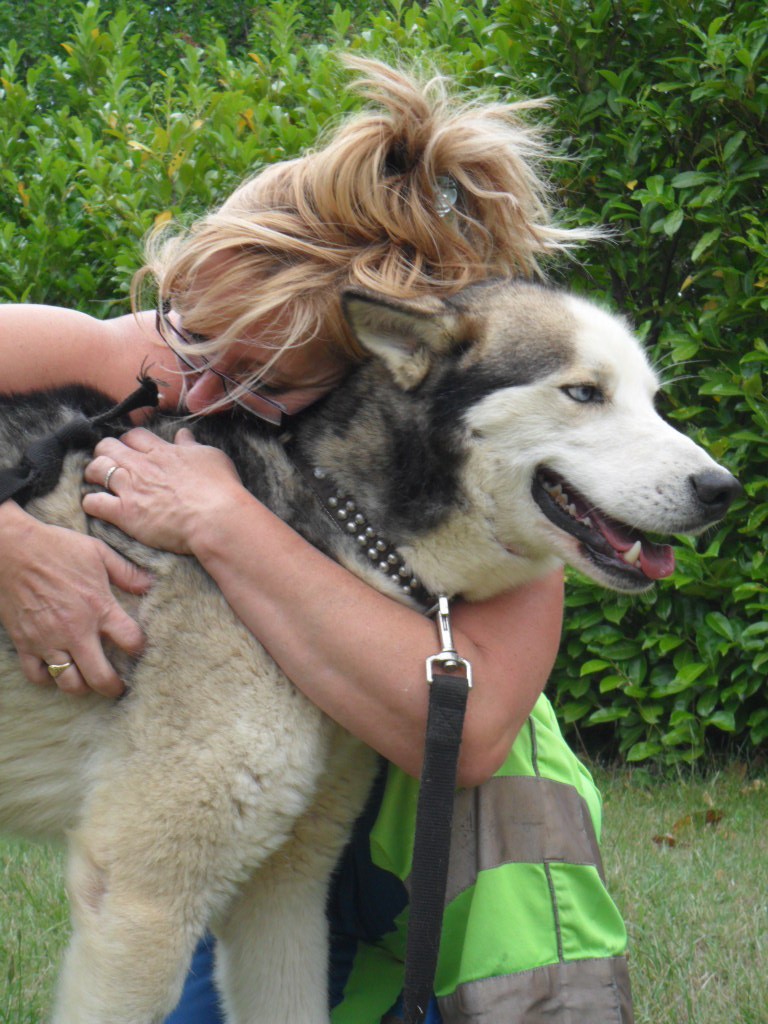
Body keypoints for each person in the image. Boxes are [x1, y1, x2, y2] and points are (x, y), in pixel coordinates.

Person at [0, 57, 633, 1023]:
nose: (200, 396)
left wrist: (223, 520)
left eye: (255, 382)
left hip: (418, 853)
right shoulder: (157, 354)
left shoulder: (490, 484)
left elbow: (467, 736)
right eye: (189, 334)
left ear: (380, 371)